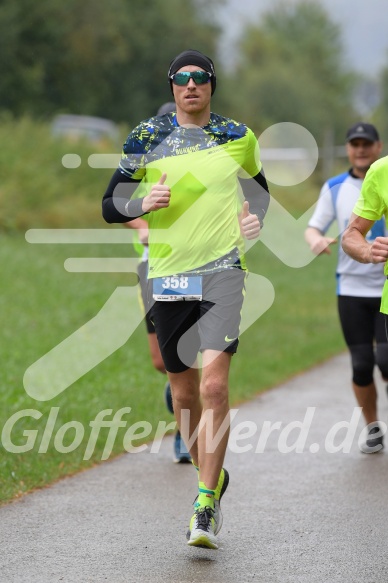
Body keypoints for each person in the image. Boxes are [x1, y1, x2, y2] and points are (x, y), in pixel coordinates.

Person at [102, 49, 270, 549]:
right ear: (172, 86)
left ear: (211, 85)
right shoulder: (147, 137)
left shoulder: (237, 136)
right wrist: (141, 203)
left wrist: (253, 220)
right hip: (170, 276)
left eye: (199, 78)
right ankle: (212, 475)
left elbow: (259, 189)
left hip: (223, 272)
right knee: (184, 394)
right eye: (182, 79)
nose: (190, 85)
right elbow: (110, 202)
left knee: (215, 387)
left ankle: (203, 501)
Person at [305, 122, 388, 453]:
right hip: (352, 286)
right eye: (354, 144)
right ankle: (372, 428)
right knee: (361, 364)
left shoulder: (380, 176)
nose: (361, 149)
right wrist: (317, 241)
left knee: (386, 359)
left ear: (377, 146)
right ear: (348, 149)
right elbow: (314, 227)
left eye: (366, 143)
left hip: (382, 285)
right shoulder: (336, 187)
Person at [124, 101, 191, 464]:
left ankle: (184, 433)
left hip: (188, 267)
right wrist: (143, 222)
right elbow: (120, 206)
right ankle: (180, 394)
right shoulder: (146, 165)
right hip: (151, 267)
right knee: (160, 361)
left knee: (184, 354)